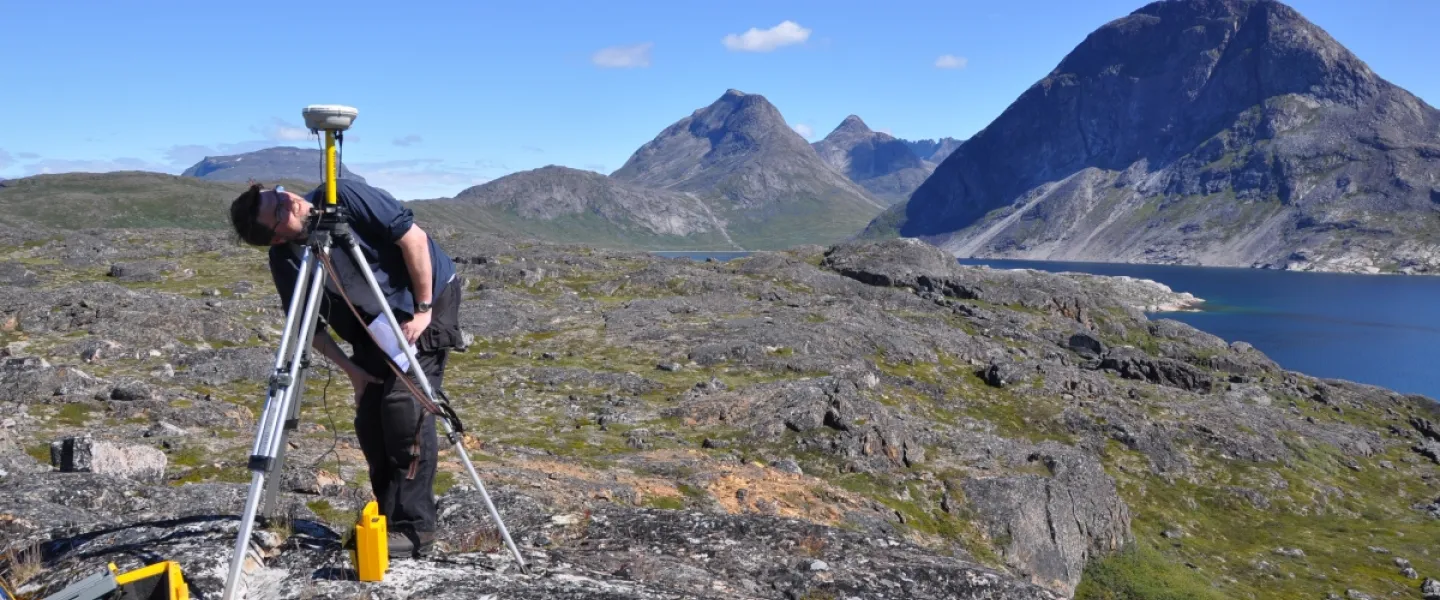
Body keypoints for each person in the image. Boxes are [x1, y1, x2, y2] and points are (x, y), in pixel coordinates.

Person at [228, 178, 462, 559]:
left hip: (427, 297)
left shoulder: (342, 198)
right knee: (370, 415)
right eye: (280, 211)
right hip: (375, 322)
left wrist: (422, 310)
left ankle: (416, 527)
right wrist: (352, 370)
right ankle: (388, 520)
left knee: (404, 404)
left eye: (280, 195)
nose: (291, 202)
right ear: (276, 238)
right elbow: (307, 327)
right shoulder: (286, 259)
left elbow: (414, 238)